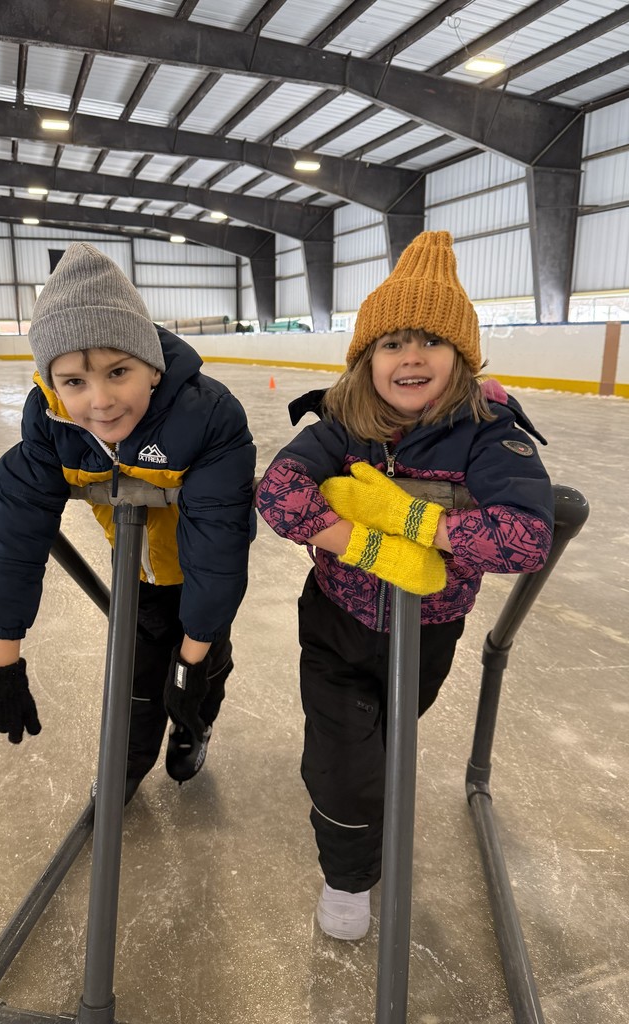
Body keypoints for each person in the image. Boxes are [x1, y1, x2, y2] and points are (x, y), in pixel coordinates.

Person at [255, 230, 554, 941]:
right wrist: (363, 542)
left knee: (385, 747)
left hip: (430, 632)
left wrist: (415, 519)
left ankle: (364, 824)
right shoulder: (343, 426)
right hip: (335, 625)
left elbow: (527, 535)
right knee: (342, 762)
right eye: (392, 343)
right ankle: (348, 878)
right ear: (367, 360)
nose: (411, 356)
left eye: (431, 341)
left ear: (462, 358)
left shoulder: (488, 435)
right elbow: (278, 495)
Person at [0, 242, 256, 807]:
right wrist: (1, 663)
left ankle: (194, 725)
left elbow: (219, 544)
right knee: (137, 681)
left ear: (151, 365)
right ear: (52, 382)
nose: (99, 400)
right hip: (143, 581)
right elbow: (13, 537)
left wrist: (191, 659)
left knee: (199, 668)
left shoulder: (208, 418)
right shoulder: (51, 427)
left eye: (117, 371)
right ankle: (124, 767)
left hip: (201, 577)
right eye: (73, 381)